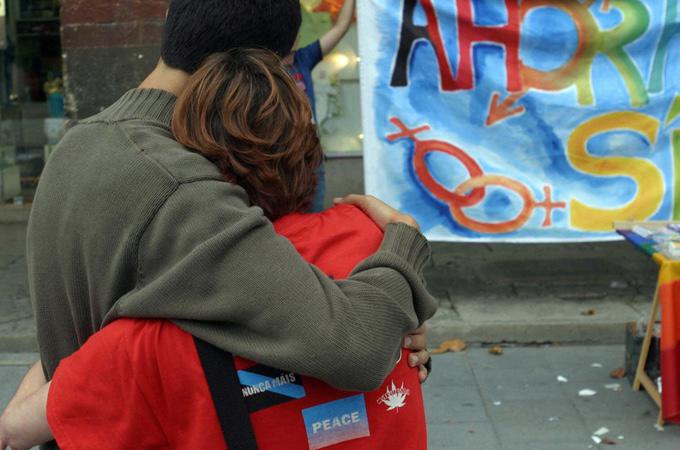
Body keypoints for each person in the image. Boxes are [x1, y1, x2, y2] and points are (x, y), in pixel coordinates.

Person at [15, 2, 435, 447]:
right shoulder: (183, 188)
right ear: (255, 68)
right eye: (286, 67)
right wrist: (404, 244)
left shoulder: (79, 144)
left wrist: (396, 324)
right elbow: (356, 346)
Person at [285, 0, 357, 212]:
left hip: (311, 159)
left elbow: (341, 27)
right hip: (282, 160)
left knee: (313, 216)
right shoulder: (264, 65)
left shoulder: (303, 58)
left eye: (295, 29)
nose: (294, 35)